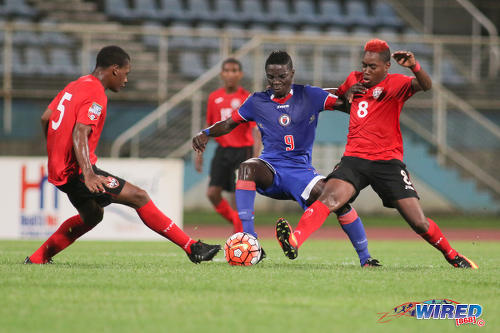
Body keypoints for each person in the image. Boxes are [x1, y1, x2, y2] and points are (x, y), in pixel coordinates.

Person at [275, 39, 478, 269]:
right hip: (355, 159)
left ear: (386, 66)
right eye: (364, 65)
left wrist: (414, 66)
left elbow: (426, 85)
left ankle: (453, 255)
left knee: (419, 222)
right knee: (329, 198)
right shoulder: (354, 79)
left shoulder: (398, 83)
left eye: (372, 67)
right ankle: (294, 240)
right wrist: (341, 92)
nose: (366, 71)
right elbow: (337, 96)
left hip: (388, 163)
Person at [25, 45, 220, 265]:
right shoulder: (96, 93)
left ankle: (38, 258)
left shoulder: (76, 84)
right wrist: (88, 173)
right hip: (76, 170)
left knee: (93, 216)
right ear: (115, 69)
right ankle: (193, 247)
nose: (126, 80)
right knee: (139, 196)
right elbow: (80, 131)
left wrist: (55, 150)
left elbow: (46, 117)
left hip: (60, 168)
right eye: (126, 74)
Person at [193, 51, 380, 267]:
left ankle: (365, 258)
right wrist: (205, 133)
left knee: (338, 201)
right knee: (246, 168)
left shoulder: (309, 95)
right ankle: (250, 241)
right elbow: (228, 123)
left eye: (281, 76)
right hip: (270, 168)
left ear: (292, 73)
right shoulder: (257, 101)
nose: (276, 82)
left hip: (301, 173)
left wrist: (353, 95)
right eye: (271, 77)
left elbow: (346, 104)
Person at [195, 58, 260, 234]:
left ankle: (240, 235)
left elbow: (256, 131)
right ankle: (238, 225)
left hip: (243, 151)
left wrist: (255, 158)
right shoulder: (214, 97)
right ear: (222, 74)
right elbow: (207, 128)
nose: (230, 74)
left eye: (234, 71)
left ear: (240, 74)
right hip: (222, 150)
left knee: (237, 197)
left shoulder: (246, 97)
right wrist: (199, 155)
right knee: (212, 193)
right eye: (227, 71)